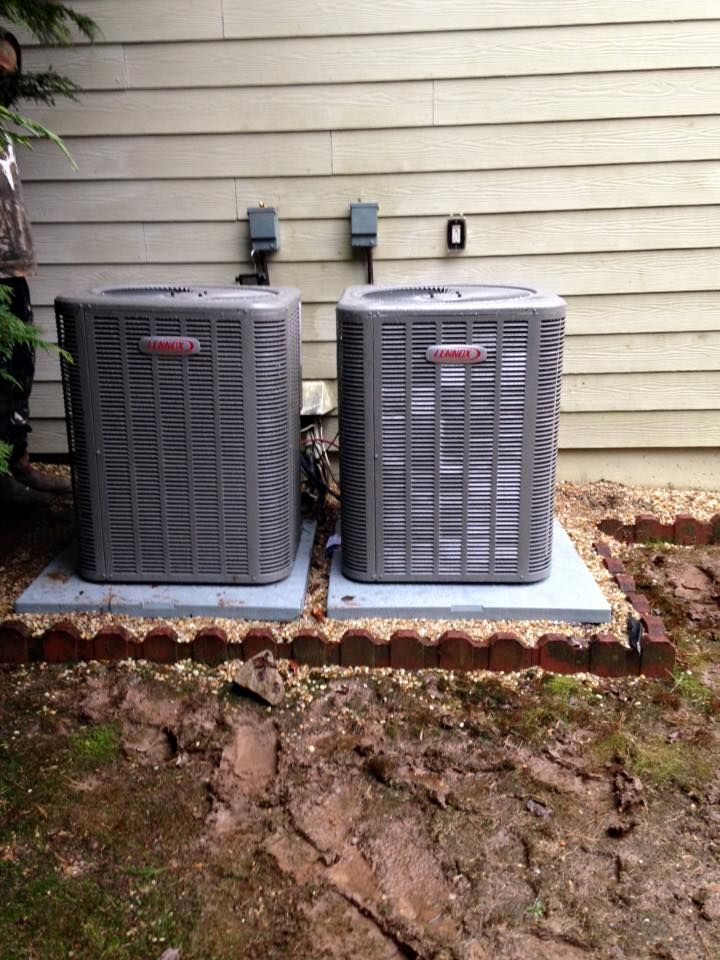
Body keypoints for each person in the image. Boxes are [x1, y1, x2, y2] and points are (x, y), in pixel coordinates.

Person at [0, 29, 71, 503]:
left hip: (11, 269)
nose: (6, 76)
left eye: (10, 69)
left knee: (18, 368)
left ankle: (16, 462)